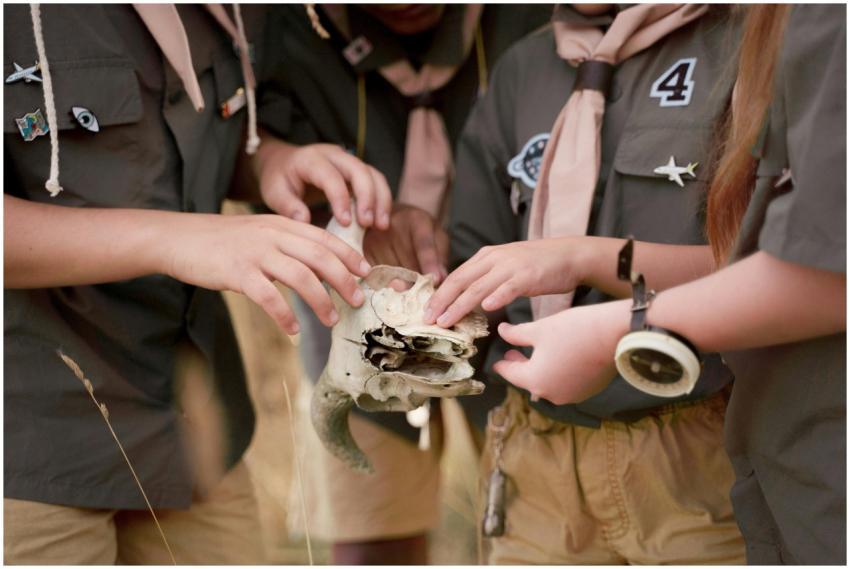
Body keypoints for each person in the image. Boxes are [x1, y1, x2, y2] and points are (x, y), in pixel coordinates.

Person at [430, 4, 846, 565]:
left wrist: (592, 264)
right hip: (538, 458)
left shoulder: (748, 41)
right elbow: (471, 264)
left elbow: (786, 262)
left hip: (694, 444)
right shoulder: (519, 70)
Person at [3, 4, 386, 564]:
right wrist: (176, 240)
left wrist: (274, 162)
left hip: (190, 429)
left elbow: (180, 140)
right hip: (27, 449)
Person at [254, 4, 551, 563]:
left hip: (524, 313)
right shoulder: (278, 27)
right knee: (374, 527)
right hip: (357, 318)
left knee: (535, 515)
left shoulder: (535, 18)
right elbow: (247, 145)